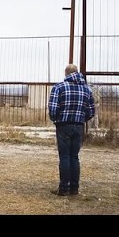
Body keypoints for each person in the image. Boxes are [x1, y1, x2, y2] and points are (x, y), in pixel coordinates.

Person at [48, 64, 95, 196]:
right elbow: (91, 111)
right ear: (77, 73)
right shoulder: (87, 90)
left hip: (63, 125)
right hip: (78, 126)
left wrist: (56, 119)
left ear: (66, 74)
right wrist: (80, 119)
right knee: (74, 157)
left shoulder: (59, 88)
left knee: (64, 157)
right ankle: (74, 189)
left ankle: (63, 189)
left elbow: (53, 109)